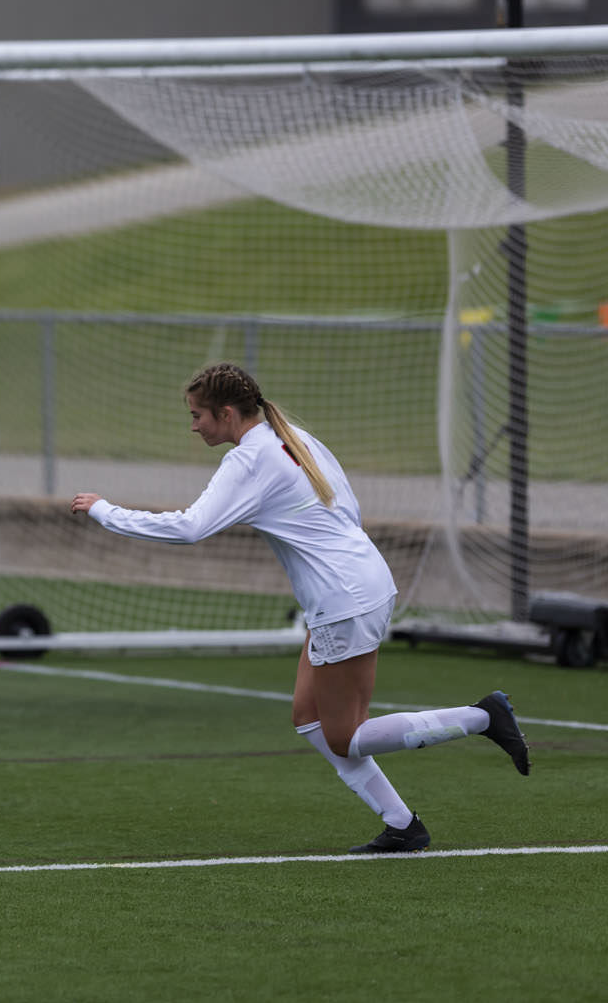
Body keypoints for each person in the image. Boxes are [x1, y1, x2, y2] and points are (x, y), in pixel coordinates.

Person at [70, 362, 528, 853]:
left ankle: (482, 717)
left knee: (345, 738)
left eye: (198, 415)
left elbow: (190, 528)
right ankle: (402, 825)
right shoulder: (293, 437)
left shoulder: (248, 461)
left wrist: (103, 509)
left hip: (343, 599)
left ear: (226, 413)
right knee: (307, 717)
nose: (194, 425)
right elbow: (347, 507)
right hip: (360, 584)